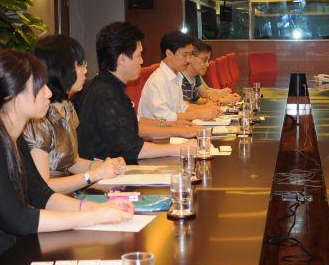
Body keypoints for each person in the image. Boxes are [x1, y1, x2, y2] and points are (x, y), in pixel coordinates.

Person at [0, 50, 134, 265]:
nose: (49, 93)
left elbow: (41, 195)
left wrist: (96, 208)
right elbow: (19, 220)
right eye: (40, 87)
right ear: (13, 96)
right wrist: (93, 216)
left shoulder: (12, 135)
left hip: (8, 253)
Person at [74, 22, 198, 162]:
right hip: (109, 172)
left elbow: (130, 127)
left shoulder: (106, 85)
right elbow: (130, 148)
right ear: (122, 59)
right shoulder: (106, 94)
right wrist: (181, 148)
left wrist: (173, 127)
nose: (142, 61)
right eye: (138, 55)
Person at [25, 35, 127, 194]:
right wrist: (93, 175)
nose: (85, 70)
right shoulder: (38, 119)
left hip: (69, 195)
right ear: (60, 69)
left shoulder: (67, 107)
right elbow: (43, 187)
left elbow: (72, 162)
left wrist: (105, 166)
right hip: (49, 203)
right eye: (80, 64)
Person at [138, 30, 220, 122]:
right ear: (169, 54)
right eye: (185, 55)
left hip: (174, 128)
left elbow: (182, 108)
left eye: (190, 55)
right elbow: (164, 118)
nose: (188, 60)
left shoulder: (177, 77)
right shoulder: (158, 81)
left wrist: (206, 109)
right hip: (161, 131)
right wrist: (198, 114)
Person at [182, 41, 239, 105]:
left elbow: (196, 100)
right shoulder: (180, 79)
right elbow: (185, 108)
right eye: (204, 60)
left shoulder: (192, 78)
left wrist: (220, 100)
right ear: (190, 57)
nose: (208, 65)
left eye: (208, 60)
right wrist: (218, 100)